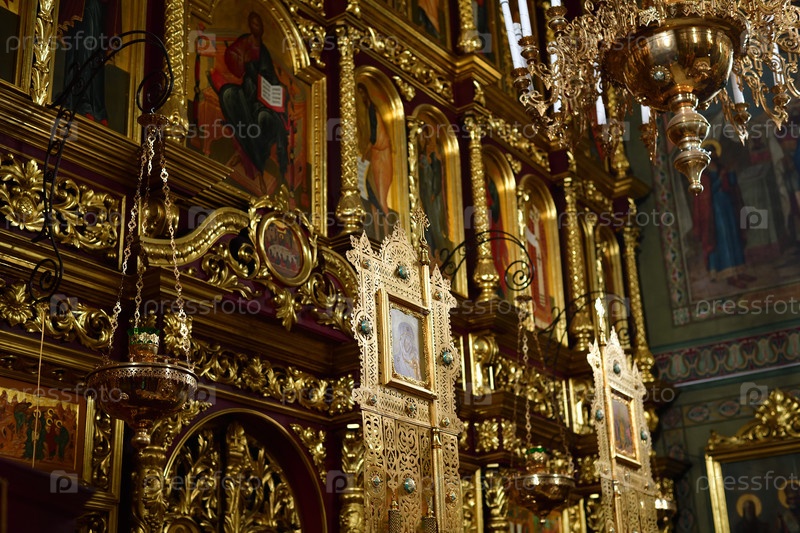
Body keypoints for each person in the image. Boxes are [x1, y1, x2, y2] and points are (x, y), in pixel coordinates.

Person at [211, 11, 290, 189]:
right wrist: (245, 62)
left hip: (263, 98)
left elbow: (271, 76)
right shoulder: (245, 41)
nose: (257, 27)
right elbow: (232, 56)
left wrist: (280, 89)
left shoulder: (265, 51)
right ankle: (254, 162)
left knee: (265, 120)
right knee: (229, 95)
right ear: (250, 25)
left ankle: (254, 160)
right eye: (254, 24)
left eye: (259, 24)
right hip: (248, 90)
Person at [691, 140, 756, 289]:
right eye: (711, 152)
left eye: (714, 152)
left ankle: (739, 270)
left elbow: (732, 184)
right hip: (715, 210)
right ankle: (730, 275)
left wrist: (731, 173)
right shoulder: (703, 174)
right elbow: (707, 193)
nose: (714, 155)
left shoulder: (720, 167)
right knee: (724, 238)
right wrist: (720, 179)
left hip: (728, 206)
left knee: (734, 235)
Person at [58, 0, 122, 126]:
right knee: (84, 50)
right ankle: (82, 102)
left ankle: (97, 109)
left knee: (97, 56)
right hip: (85, 7)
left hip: (99, 7)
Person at [356, 83, 393, 240]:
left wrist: (364, 154)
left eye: (362, 94)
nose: (361, 97)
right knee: (372, 197)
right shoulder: (366, 111)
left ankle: (387, 237)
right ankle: (377, 238)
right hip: (375, 156)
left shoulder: (372, 111)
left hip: (381, 157)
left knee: (381, 199)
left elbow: (373, 137)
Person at [419, 132, 452, 259]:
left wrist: (433, 192)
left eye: (430, 145)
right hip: (426, 194)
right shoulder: (423, 156)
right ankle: (431, 249)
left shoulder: (435, 161)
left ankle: (442, 252)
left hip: (433, 197)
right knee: (427, 221)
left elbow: (437, 178)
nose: (429, 147)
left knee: (434, 223)